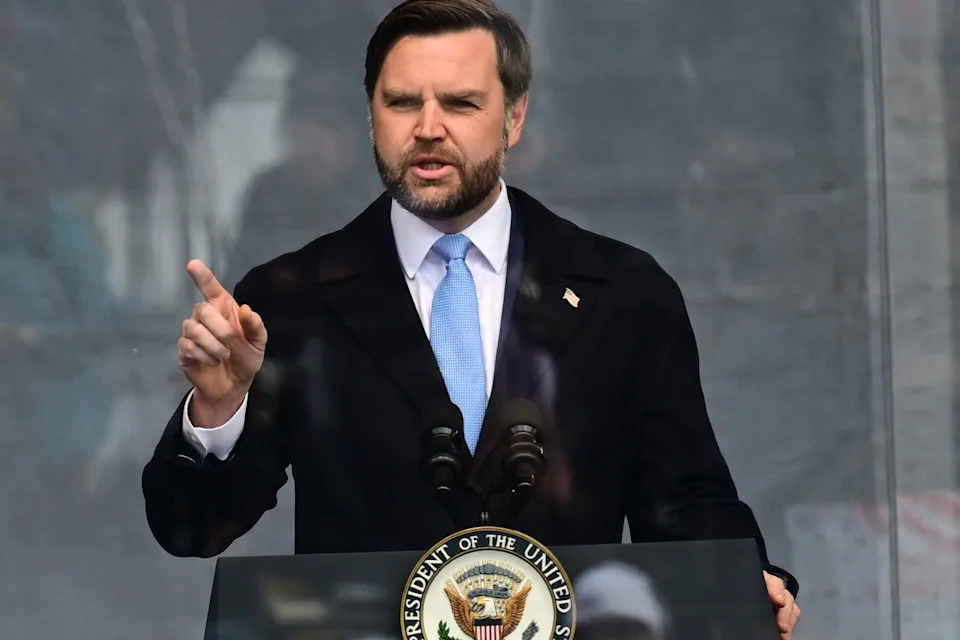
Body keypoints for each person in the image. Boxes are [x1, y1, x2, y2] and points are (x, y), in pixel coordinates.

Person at [142, 1, 800, 637]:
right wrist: (218, 410)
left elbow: (685, 500)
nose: (428, 127)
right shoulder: (291, 299)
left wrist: (745, 585)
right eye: (403, 103)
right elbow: (191, 527)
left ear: (514, 118)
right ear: (371, 116)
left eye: (460, 103)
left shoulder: (623, 294)